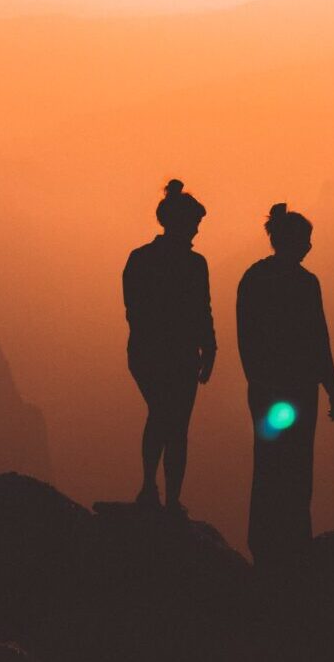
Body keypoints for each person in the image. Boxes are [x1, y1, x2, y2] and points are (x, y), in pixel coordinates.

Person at [236, 203, 334, 567]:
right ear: (291, 241)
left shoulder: (255, 278)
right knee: (295, 462)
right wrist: (332, 386)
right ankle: (291, 538)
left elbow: (247, 337)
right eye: (306, 239)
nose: (310, 246)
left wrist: (258, 379)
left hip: (275, 388)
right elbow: (318, 338)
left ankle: (268, 539)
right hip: (293, 387)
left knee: (270, 460)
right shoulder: (302, 283)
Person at [122, 179, 217, 516]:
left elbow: (135, 311)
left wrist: (210, 346)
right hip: (171, 354)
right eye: (194, 224)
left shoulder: (142, 259)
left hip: (156, 353)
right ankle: (164, 496)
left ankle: (156, 491)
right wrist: (208, 347)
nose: (196, 231)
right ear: (177, 222)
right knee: (172, 422)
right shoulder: (190, 264)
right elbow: (199, 310)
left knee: (166, 418)